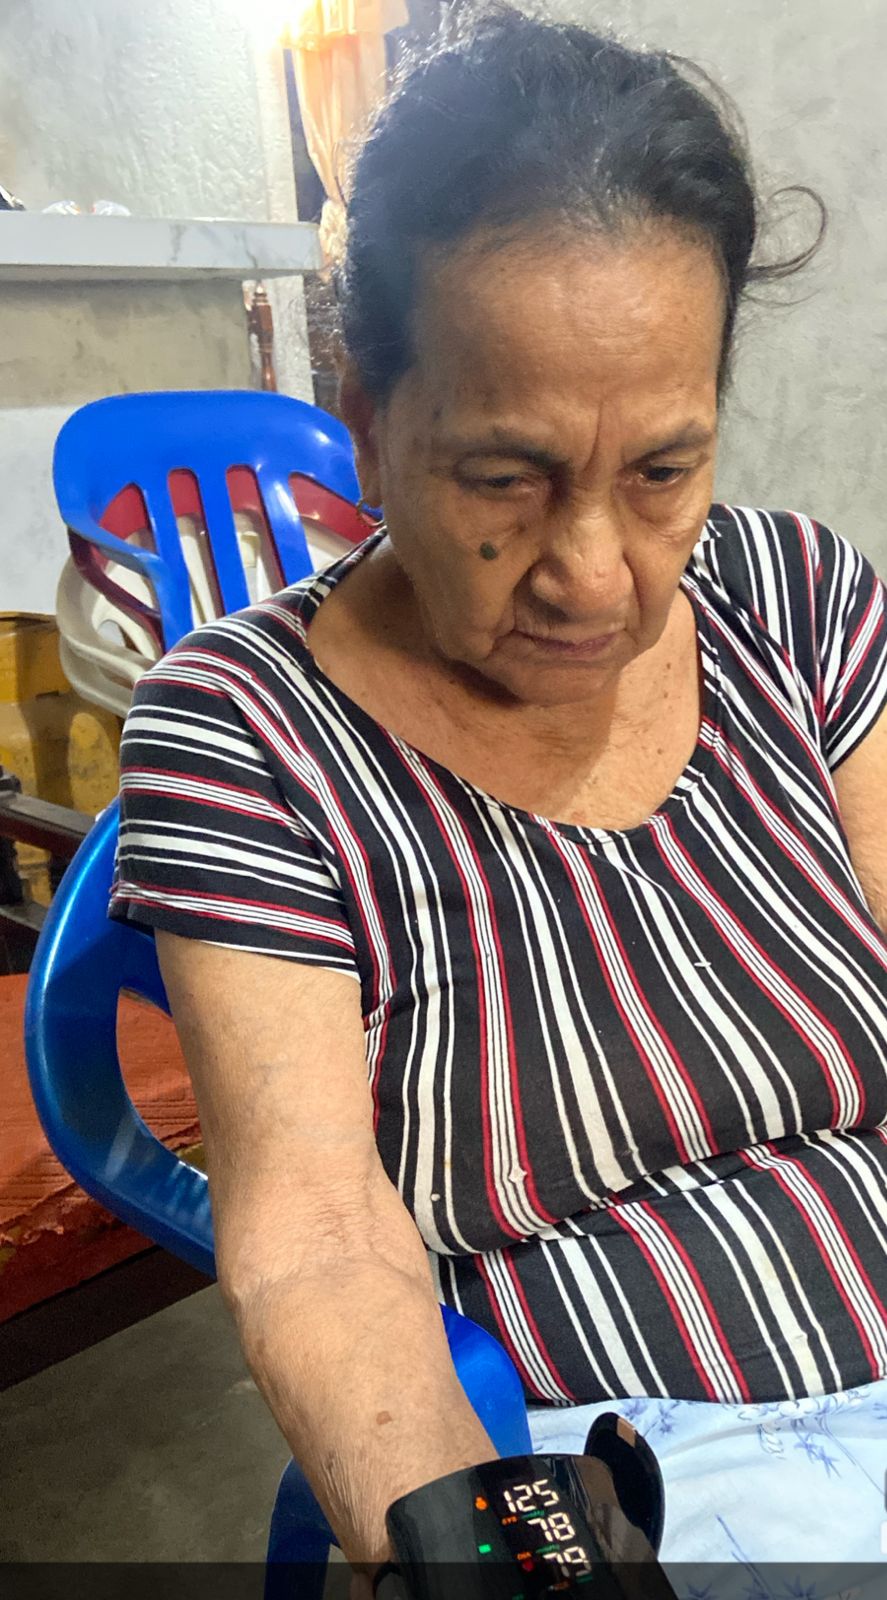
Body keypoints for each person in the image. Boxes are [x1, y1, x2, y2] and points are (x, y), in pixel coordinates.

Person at [110, 5, 887, 1586]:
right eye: (504, 477)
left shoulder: (797, 602)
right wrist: (503, 1556)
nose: (595, 575)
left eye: (662, 471)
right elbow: (321, 1246)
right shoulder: (246, 728)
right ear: (366, 412)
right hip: (653, 1451)